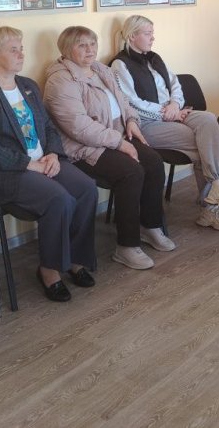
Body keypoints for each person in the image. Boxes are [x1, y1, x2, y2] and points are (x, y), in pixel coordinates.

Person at [0, 27, 98, 302]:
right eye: (13, 49)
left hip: (43, 160)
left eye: (21, 48)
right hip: (5, 172)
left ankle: (75, 259)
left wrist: (53, 154)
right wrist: (29, 164)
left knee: (87, 188)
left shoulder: (28, 86)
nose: (21, 54)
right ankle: (49, 270)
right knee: (59, 199)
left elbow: (48, 127)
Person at [44, 26, 172, 270]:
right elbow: (79, 127)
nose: (90, 49)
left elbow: (124, 102)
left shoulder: (101, 70)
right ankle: (127, 246)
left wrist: (132, 120)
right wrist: (120, 143)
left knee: (153, 162)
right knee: (131, 171)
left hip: (115, 136)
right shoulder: (60, 80)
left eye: (92, 44)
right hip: (82, 148)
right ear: (66, 50)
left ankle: (150, 226)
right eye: (82, 45)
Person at [110, 15, 219, 232]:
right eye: (148, 34)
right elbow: (129, 102)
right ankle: (212, 207)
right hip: (146, 123)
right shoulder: (120, 65)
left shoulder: (154, 58)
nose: (153, 38)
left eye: (152, 33)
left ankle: (218, 186)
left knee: (208, 119)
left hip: (173, 111)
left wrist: (174, 105)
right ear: (132, 36)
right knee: (203, 143)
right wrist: (166, 113)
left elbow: (176, 85)